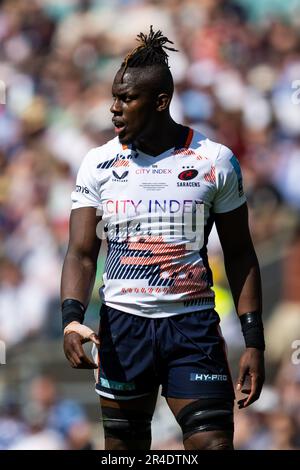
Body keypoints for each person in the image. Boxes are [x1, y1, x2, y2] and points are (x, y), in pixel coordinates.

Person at [61, 26, 265, 450]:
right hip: (122, 328)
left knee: (214, 446)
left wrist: (253, 342)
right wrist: (71, 321)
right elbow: (81, 253)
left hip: (192, 327)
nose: (114, 108)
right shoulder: (98, 163)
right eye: (113, 97)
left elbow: (241, 253)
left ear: (160, 102)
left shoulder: (214, 160)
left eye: (126, 99)